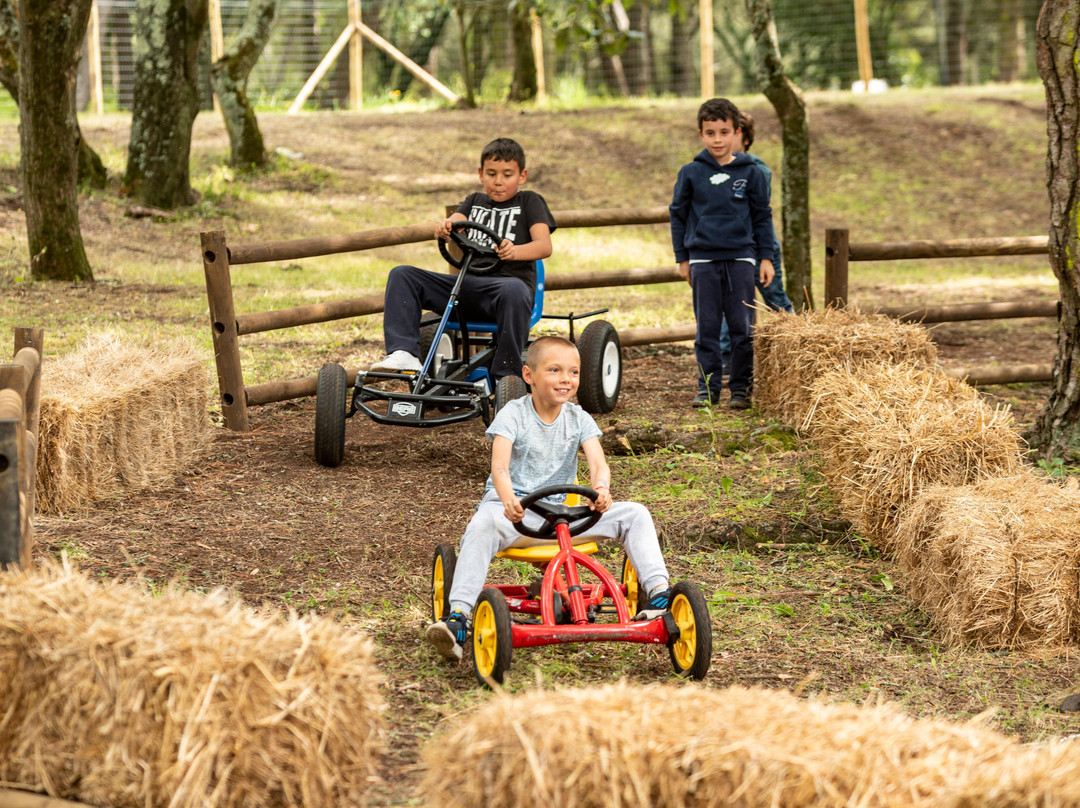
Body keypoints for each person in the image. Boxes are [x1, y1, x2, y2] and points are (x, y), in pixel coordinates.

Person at [424, 335, 672, 661]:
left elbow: (599, 462)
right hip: (517, 513)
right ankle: (458, 617)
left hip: (564, 517)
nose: (565, 380)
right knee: (483, 523)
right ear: (530, 375)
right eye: (554, 370)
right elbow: (499, 466)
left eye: (573, 372)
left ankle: (658, 595)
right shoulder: (514, 414)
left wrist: (601, 488)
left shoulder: (578, 417)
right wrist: (508, 496)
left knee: (636, 513)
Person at [371, 138, 555, 382]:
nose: (498, 181)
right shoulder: (475, 200)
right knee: (402, 274)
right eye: (491, 173)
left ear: (522, 176)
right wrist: (445, 227)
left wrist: (515, 252)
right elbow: (456, 222)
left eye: (507, 175)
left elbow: (544, 246)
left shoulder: (529, 201)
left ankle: (506, 374)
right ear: (481, 174)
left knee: (513, 288)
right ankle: (404, 352)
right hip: (466, 290)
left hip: (507, 293)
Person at [670, 98, 775, 410]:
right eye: (710, 132)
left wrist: (765, 257)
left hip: (742, 258)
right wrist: (682, 258)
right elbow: (678, 215)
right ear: (701, 134)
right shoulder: (690, 172)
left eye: (724, 132)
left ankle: (741, 390)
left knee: (743, 328)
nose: (717, 139)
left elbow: (762, 216)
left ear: (737, 133)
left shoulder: (751, 173)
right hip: (703, 260)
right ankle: (708, 389)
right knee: (708, 328)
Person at [715, 112, 794, 389]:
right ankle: (728, 361)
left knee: (776, 301)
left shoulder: (757, 169)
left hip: (760, 249)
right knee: (731, 305)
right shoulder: (715, 170)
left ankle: (795, 349)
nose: (723, 140)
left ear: (744, 138)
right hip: (731, 250)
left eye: (730, 134)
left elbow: (752, 208)